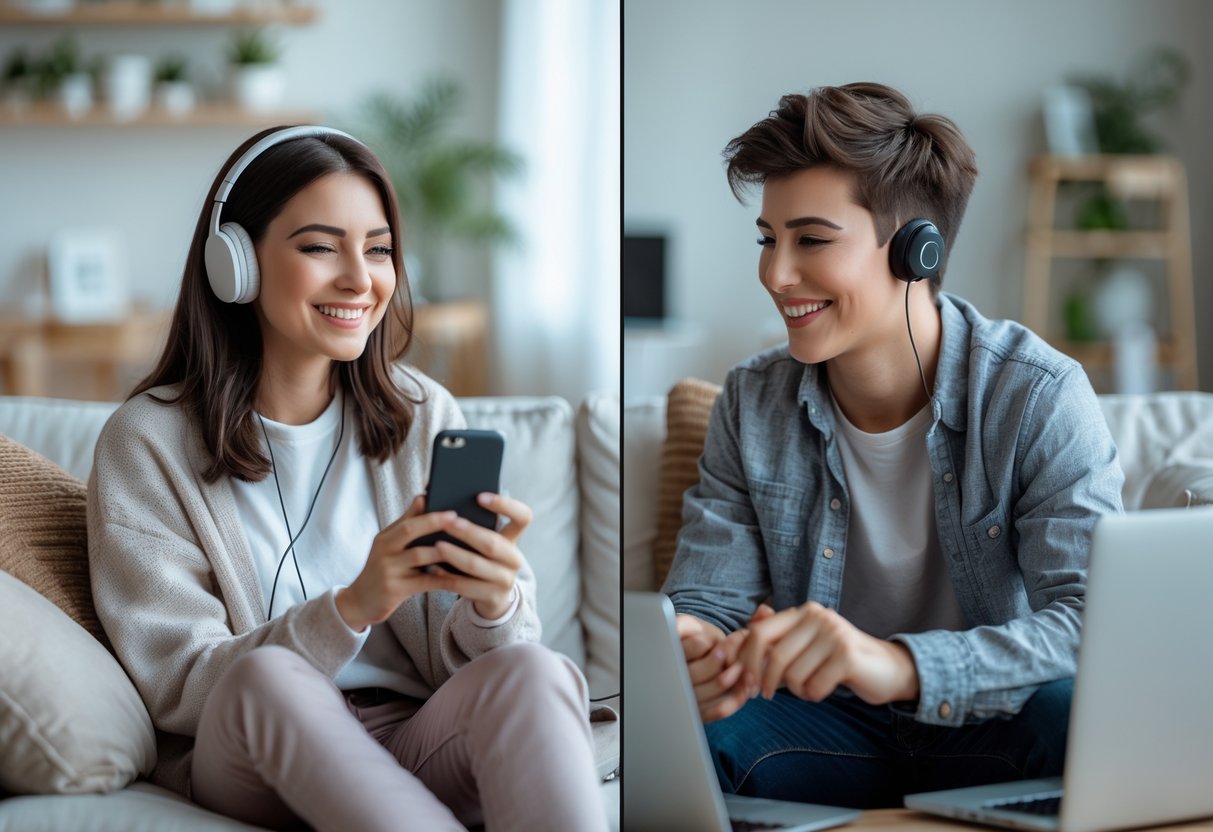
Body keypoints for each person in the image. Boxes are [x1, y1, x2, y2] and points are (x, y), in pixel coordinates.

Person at [87, 125, 607, 832]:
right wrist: (356, 604)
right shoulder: (147, 442)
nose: (360, 280)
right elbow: (180, 685)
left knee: (537, 672)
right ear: (232, 262)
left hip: (415, 735)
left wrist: (493, 605)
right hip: (254, 750)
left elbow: (492, 663)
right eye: (320, 247)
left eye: (379, 249)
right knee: (268, 678)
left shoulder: (423, 415)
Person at [662, 83, 1124, 809]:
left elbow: (1092, 625)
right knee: (695, 744)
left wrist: (900, 663)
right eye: (767, 238)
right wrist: (691, 648)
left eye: (810, 239)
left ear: (915, 250)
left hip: (991, 720)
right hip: (824, 727)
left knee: (1077, 718)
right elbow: (706, 600)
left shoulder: (1037, 396)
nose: (774, 274)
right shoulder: (751, 401)